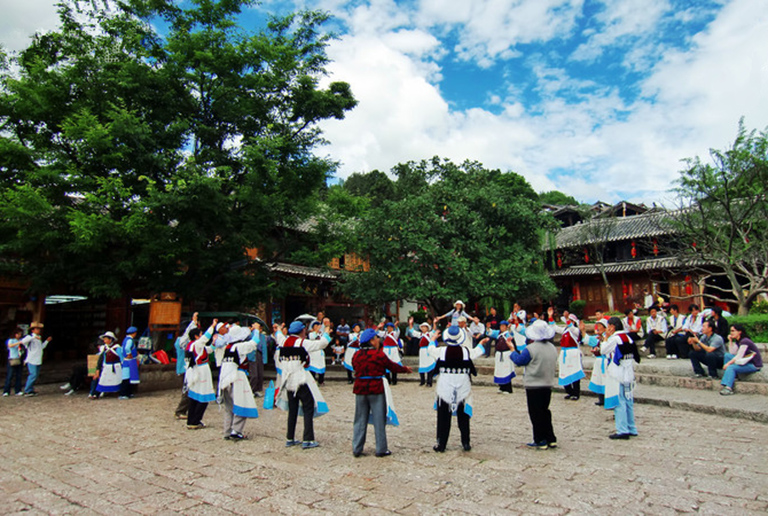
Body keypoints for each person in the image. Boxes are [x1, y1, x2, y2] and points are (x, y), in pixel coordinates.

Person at [351, 328, 413, 457]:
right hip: (376, 388)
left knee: (360, 419)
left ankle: (357, 448)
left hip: (360, 389)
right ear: (372, 341)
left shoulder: (356, 355)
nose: (379, 340)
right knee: (379, 419)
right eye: (376, 338)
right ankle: (381, 448)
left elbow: (354, 367)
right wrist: (405, 369)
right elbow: (391, 366)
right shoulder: (378, 355)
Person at [276, 321, 330, 449]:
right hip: (300, 378)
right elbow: (321, 344)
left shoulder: (283, 341)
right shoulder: (301, 342)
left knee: (292, 409)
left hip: (287, 380)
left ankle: (290, 437)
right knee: (308, 406)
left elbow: (278, 335)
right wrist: (327, 332)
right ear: (302, 331)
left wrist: (278, 329)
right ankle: (308, 439)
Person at [510, 319, 559, 450]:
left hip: (534, 385)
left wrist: (512, 351)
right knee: (545, 411)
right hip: (547, 383)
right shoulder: (552, 348)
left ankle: (540, 439)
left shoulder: (531, 349)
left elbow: (520, 361)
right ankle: (551, 438)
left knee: (535, 413)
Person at [432, 326, 477, 452]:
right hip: (462, 385)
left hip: (445, 386)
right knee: (463, 416)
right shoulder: (466, 352)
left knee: (443, 417)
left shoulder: (441, 351)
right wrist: (482, 344)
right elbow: (476, 355)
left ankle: (441, 444)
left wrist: (433, 338)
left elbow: (430, 350)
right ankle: (466, 442)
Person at [218, 324, 260, 440]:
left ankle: (227, 431)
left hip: (224, 378)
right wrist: (256, 330)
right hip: (237, 377)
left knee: (229, 407)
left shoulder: (227, 347)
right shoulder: (239, 347)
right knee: (242, 404)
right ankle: (236, 431)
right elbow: (254, 342)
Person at [601, 317, 641, 439]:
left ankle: (622, 429)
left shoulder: (615, 339)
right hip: (628, 370)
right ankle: (631, 427)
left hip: (617, 371)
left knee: (620, 400)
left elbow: (603, 350)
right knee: (628, 399)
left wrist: (605, 338)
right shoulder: (628, 337)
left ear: (612, 327)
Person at [185, 320, 219, 429]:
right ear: (196, 336)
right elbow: (205, 337)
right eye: (200, 334)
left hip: (197, 370)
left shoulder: (195, 346)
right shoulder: (197, 344)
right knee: (203, 396)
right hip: (201, 371)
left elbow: (208, 350)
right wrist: (212, 326)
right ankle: (195, 420)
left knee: (195, 397)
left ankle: (191, 420)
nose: (201, 336)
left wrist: (214, 343)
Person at [720, 324, 763, 396]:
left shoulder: (745, 341)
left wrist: (728, 364)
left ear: (739, 332)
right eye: (730, 331)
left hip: (753, 364)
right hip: (745, 362)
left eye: (733, 331)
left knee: (731, 367)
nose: (731, 333)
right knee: (727, 355)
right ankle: (732, 377)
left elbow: (738, 357)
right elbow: (732, 352)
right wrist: (730, 341)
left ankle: (728, 388)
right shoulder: (739, 341)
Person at [554, 312, 584, 401]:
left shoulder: (575, 331)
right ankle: (569, 391)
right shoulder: (565, 330)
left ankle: (576, 393)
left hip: (573, 353)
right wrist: (551, 317)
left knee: (574, 372)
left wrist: (567, 319)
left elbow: (571, 327)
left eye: (570, 321)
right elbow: (555, 328)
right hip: (564, 353)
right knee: (564, 371)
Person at [174, 314, 198, 420]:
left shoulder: (178, 340)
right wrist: (193, 322)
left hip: (182, 366)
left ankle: (185, 409)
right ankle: (180, 411)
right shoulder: (183, 341)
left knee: (188, 389)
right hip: (184, 367)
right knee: (187, 390)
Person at [20, 322, 52, 397]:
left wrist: (47, 341)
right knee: (33, 375)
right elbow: (23, 341)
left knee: (35, 375)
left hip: (37, 359)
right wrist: (34, 337)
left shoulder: (39, 338)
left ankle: (30, 389)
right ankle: (27, 390)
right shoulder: (29, 337)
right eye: (37, 329)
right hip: (31, 360)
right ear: (33, 330)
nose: (39, 331)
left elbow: (41, 347)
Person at [582, 318, 609, 406]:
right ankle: (601, 398)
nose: (598, 328)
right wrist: (582, 330)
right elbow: (587, 339)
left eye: (600, 326)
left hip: (606, 361)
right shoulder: (597, 337)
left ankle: (608, 399)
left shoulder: (608, 337)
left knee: (606, 380)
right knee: (599, 380)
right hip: (599, 361)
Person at [484, 319, 514, 393]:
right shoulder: (498, 333)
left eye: (503, 326)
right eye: (501, 326)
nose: (502, 327)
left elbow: (511, 334)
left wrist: (510, 329)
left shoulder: (508, 333)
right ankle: (501, 387)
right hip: (499, 354)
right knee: (500, 371)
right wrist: (488, 328)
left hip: (506, 354)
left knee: (506, 370)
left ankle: (508, 388)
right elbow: (490, 333)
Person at [95, 331, 123, 397]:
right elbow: (103, 357)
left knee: (116, 379)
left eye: (106, 339)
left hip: (116, 367)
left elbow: (121, 358)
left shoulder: (117, 348)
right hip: (107, 366)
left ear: (110, 340)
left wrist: (122, 365)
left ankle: (117, 391)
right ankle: (102, 391)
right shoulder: (104, 348)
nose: (104, 341)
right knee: (104, 379)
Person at [413, 321, 438, 386]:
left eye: (424, 327)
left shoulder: (429, 334)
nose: (423, 328)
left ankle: (429, 381)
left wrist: (434, 323)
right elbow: (413, 332)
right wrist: (410, 324)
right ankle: (422, 381)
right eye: (422, 327)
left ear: (427, 328)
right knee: (422, 365)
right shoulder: (420, 335)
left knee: (429, 365)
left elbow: (434, 331)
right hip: (422, 351)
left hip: (428, 350)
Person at [119, 326, 140, 399]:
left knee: (128, 377)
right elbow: (127, 348)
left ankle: (129, 392)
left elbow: (122, 350)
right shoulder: (130, 340)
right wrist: (129, 353)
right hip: (130, 361)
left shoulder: (124, 340)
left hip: (125, 361)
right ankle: (124, 393)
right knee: (127, 377)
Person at [247, 322, 267, 397]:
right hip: (252, 354)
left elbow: (264, 347)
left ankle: (258, 389)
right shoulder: (250, 335)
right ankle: (252, 389)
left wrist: (265, 359)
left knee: (260, 374)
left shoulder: (263, 336)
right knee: (254, 374)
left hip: (260, 354)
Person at [4, 328, 25, 396]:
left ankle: (18, 390)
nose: (19, 335)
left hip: (19, 358)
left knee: (18, 375)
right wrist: (18, 343)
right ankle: (6, 391)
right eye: (18, 334)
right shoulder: (11, 340)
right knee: (10, 375)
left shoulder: (21, 340)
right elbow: (9, 346)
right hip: (12, 358)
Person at [307, 320, 327, 385]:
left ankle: (321, 380)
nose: (317, 327)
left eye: (318, 326)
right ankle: (312, 380)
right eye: (315, 326)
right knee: (313, 366)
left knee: (321, 365)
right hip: (313, 352)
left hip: (320, 352)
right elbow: (312, 338)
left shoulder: (321, 334)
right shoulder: (311, 334)